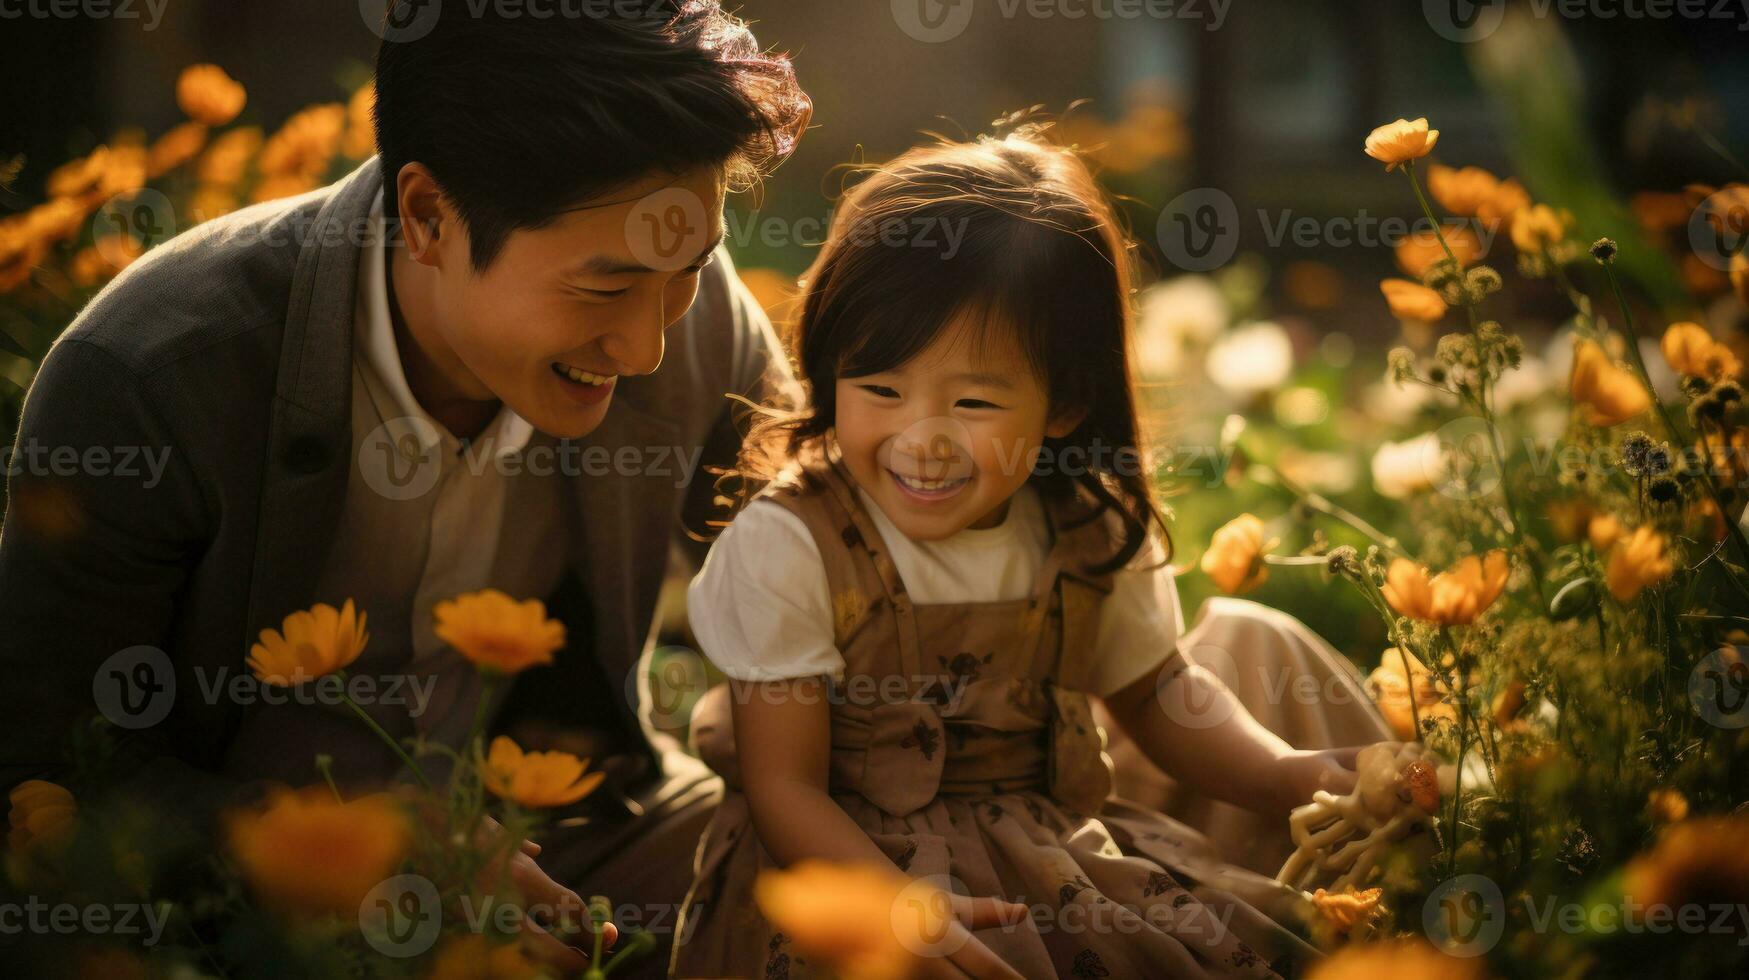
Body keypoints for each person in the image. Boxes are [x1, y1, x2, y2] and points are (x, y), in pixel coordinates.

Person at [0, 2, 808, 972]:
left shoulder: (692, 311)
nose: (647, 347)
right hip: (244, 902)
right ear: (428, 215)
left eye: (689, 267)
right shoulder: (153, 373)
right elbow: (51, 766)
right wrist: (374, 859)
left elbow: (827, 562)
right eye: (603, 289)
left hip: (586, 838)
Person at [671, 130, 1390, 979]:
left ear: (1063, 403)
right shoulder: (793, 544)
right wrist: (894, 909)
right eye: (880, 390)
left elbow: (1158, 695)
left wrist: (1286, 775)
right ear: (827, 372)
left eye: (973, 400)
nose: (922, 439)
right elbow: (784, 787)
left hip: (1053, 857)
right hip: (842, 872)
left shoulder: (1081, 528)